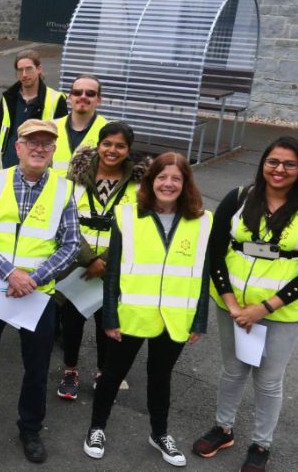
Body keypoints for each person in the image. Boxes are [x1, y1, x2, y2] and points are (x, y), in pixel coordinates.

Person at [193, 137, 298, 472]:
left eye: (289, 164)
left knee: (268, 380)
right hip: (231, 307)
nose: (279, 169)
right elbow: (215, 252)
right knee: (233, 370)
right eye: (273, 161)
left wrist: (262, 309)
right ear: (263, 163)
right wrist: (233, 304)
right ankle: (223, 428)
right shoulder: (238, 198)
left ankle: (261, 444)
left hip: (281, 314)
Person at [0, 119, 79, 464]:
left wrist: (34, 278)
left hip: (37, 296)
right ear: (18, 147)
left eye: (47, 143)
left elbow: (70, 245)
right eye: (32, 142)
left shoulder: (64, 189)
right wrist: (11, 273)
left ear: (54, 151)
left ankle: (30, 428)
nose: (40, 148)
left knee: (36, 368)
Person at [83, 152, 212, 468]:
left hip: (175, 317)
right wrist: (110, 316)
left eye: (176, 178)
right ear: (151, 180)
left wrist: (200, 319)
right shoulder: (127, 216)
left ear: (186, 184)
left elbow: (202, 273)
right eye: (162, 177)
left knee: (161, 377)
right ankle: (96, 428)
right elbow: (113, 271)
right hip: (132, 315)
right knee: (112, 375)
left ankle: (160, 433)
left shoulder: (202, 221)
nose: (168, 184)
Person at [57, 121, 147, 400]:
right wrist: (89, 259)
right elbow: (64, 220)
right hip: (76, 265)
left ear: (129, 150)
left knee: (106, 323)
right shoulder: (76, 179)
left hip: (114, 269)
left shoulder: (139, 185)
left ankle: (102, 371)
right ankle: (70, 369)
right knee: (70, 322)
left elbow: (140, 228)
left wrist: (105, 262)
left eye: (120, 146)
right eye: (107, 144)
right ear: (98, 145)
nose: (112, 150)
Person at [0, 50, 67, 169]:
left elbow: (62, 140)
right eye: (20, 70)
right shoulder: (8, 98)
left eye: (29, 69)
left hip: (39, 168)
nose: (24, 74)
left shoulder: (56, 100)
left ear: (39, 69)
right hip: (7, 166)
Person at [50, 75, 108, 178]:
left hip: (88, 193)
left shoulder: (108, 131)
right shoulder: (51, 127)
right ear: (70, 97)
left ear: (99, 99)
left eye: (90, 93)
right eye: (77, 92)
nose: (83, 96)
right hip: (54, 192)